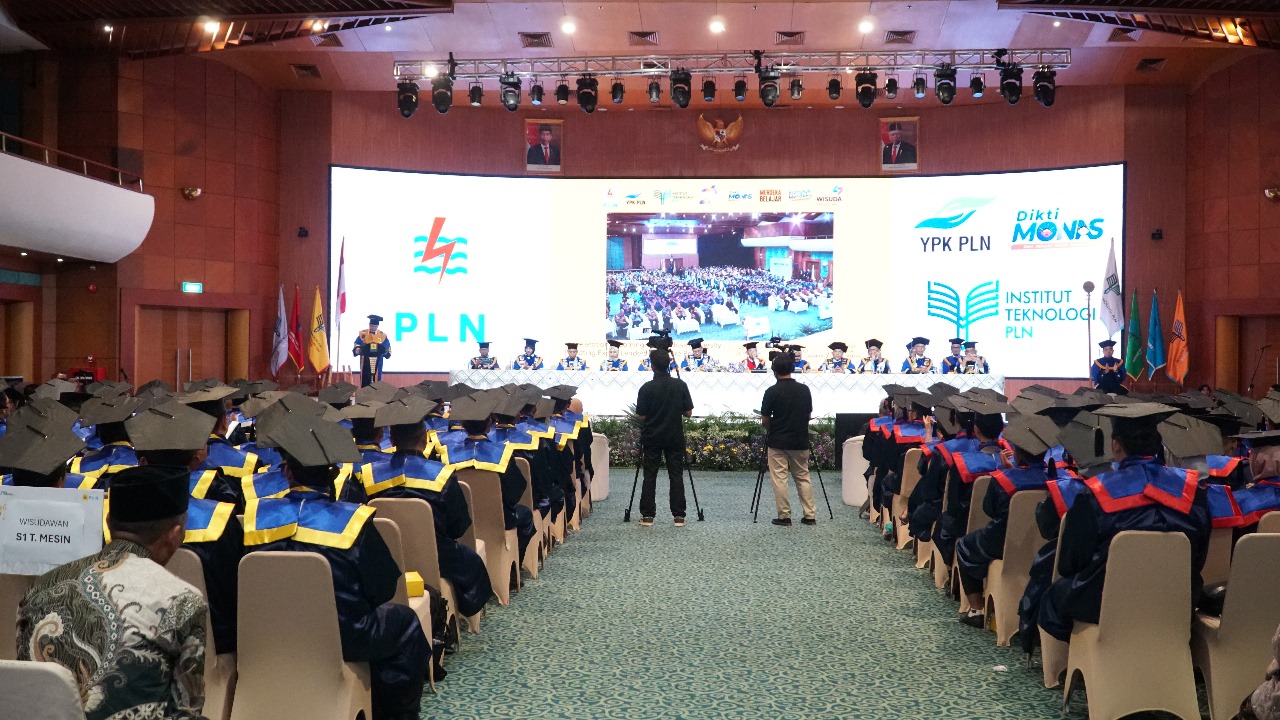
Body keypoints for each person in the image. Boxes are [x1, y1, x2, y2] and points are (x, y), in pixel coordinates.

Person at [242, 413, 429, 720]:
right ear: (333, 475)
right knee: (405, 621)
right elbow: (383, 589)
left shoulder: (251, 518)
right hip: (346, 637)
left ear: (287, 472)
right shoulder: (354, 521)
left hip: (265, 636)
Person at [17, 466, 208, 720]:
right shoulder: (183, 600)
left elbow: (27, 692)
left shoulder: (39, 588)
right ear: (175, 535)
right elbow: (186, 711)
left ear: (108, 523)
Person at [1037, 403, 1212, 643]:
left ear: (1115, 445)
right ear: (1158, 443)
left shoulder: (1095, 492)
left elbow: (1071, 561)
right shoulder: (1193, 490)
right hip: (1175, 599)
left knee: (1053, 595)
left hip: (1104, 600)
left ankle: (1080, 655)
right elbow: (1199, 554)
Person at [635, 348, 694, 527]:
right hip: (674, 437)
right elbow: (688, 413)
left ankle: (647, 516)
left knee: (649, 475)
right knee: (676, 475)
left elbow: (642, 416)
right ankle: (679, 516)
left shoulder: (646, 388)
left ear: (652, 366)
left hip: (652, 437)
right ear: (669, 364)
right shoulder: (680, 385)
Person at [762, 352, 815, 526]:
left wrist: (771, 429)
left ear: (774, 371)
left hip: (778, 441)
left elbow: (765, 420)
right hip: (800, 440)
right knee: (803, 476)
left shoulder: (771, 391)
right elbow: (808, 416)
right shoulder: (804, 390)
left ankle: (784, 516)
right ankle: (810, 515)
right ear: (792, 369)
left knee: (780, 478)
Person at [353, 314, 392, 387]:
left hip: (378, 362)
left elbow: (388, 348)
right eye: (371, 326)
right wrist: (357, 349)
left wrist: (386, 352)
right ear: (369, 324)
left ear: (377, 326)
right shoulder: (363, 334)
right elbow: (357, 344)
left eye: (374, 326)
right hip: (365, 362)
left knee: (377, 381)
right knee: (365, 381)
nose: (372, 328)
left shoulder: (382, 336)